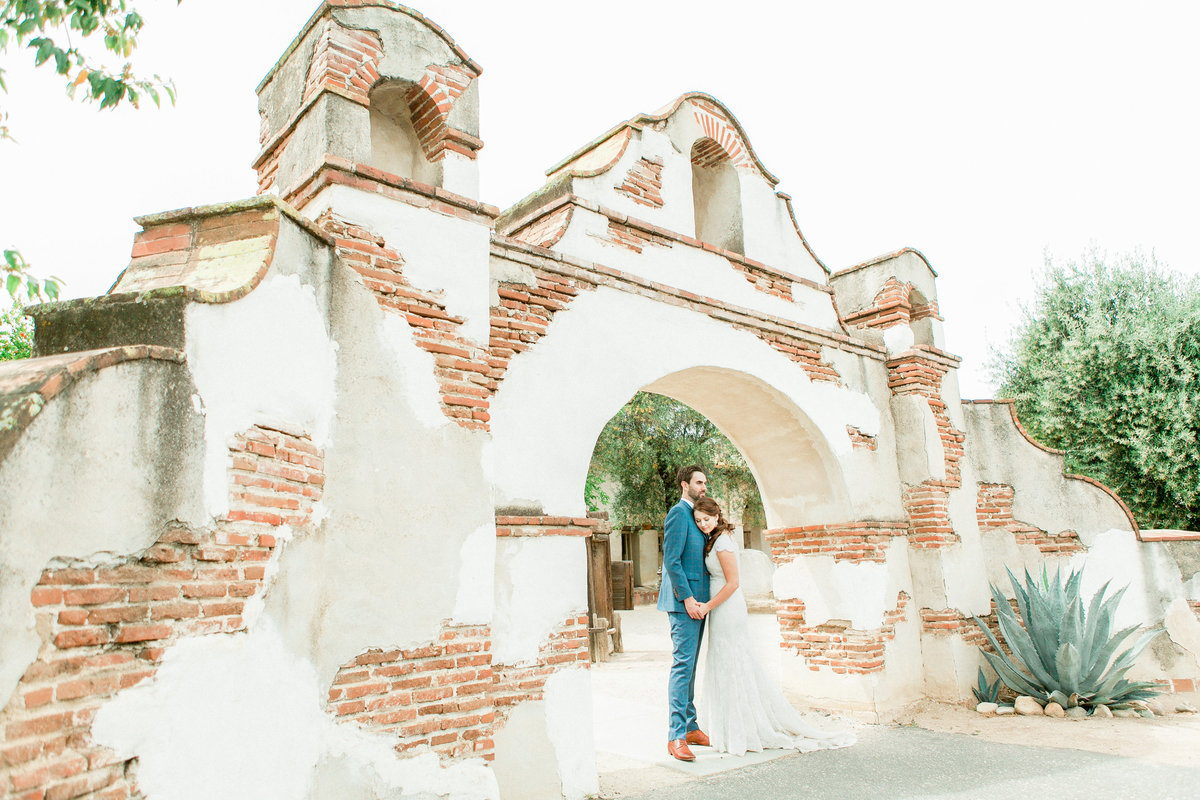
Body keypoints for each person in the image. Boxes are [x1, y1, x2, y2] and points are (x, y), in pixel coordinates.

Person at [692, 496, 855, 756]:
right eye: (699, 521)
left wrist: (707, 607)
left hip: (727, 608)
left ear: (717, 515)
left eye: (707, 519)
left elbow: (733, 583)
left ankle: (742, 729)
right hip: (720, 609)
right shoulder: (715, 538)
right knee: (724, 662)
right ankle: (731, 728)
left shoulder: (722, 542)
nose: (702, 524)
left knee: (732, 662)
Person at [657, 465, 712, 762]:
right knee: (682, 667)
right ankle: (675, 736)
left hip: (701, 603)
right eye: (698, 482)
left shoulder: (697, 515)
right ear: (684, 485)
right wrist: (688, 599)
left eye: (704, 482)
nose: (703, 487)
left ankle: (691, 727)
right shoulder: (678, 513)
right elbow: (672, 561)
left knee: (690, 667)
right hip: (683, 604)